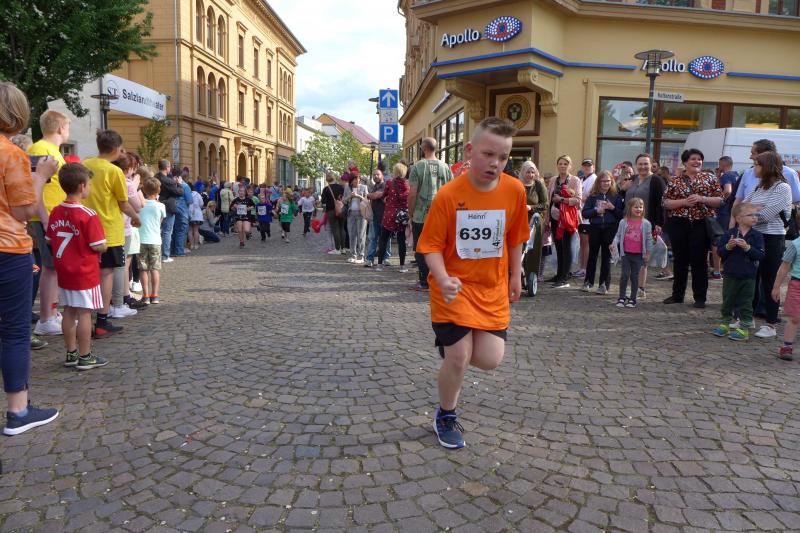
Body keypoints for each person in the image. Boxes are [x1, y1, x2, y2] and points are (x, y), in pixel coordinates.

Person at [416, 117, 529, 449]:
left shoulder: (514, 190)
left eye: (503, 157)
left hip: (491, 288)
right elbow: (430, 246)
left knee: (491, 359)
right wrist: (441, 277)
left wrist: (516, 274)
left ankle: (452, 349)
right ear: (469, 151)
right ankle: (446, 415)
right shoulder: (448, 195)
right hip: (453, 289)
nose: (495, 163)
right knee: (459, 357)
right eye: (488, 154)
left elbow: (515, 238)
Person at [0, 81, 61, 435]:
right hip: (8, 248)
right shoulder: (11, 153)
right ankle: (18, 411)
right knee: (14, 331)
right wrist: (41, 177)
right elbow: (24, 210)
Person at [46, 163, 109, 370]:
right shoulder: (88, 214)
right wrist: (105, 245)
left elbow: (49, 239)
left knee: (68, 311)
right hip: (84, 272)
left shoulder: (56, 211)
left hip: (64, 270)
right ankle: (85, 355)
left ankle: (71, 352)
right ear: (82, 186)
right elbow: (98, 245)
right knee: (84, 313)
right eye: (89, 184)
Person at [82, 130, 140, 338]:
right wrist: (136, 217)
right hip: (108, 230)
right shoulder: (114, 171)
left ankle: (83, 318)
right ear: (115, 149)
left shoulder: (85, 164)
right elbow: (124, 204)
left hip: (85, 227)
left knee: (88, 274)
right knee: (106, 274)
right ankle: (102, 321)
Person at [662, 148, 723, 308]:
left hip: (701, 223)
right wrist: (684, 202)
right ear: (685, 162)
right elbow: (665, 202)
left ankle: (700, 297)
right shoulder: (675, 180)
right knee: (680, 259)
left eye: (699, 159)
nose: (697, 162)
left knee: (699, 260)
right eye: (693, 159)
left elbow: (720, 200)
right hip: (679, 223)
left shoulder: (709, 178)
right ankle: (677, 295)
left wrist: (702, 199)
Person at [28, 110, 69, 336]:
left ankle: (51, 312)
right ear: (61, 127)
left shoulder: (50, 150)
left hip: (55, 218)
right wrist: (45, 220)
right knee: (50, 268)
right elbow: (37, 186)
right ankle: (45, 317)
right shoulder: (40, 149)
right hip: (47, 218)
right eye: (67, 127)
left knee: (54, 268)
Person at [744, 151, 792, 339]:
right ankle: (748, 317)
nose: (754, 168)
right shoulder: (759, 187)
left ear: (767, 167)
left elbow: (765, 215)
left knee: (770, 280)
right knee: (751, 278)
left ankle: (771, 323)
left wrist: (749, 213)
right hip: (755, 236)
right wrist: (748, 212)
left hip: (772, 239)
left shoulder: (782, 188)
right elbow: (740, 208)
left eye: (757, 164)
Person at [712, 202, 764, 341]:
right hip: (730, 274)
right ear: (739, 218)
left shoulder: (757, 235)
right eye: (750, 215)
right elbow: (720, 252)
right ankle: (725, 324)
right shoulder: (729, 233)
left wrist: (747, 248)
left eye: (756, 215)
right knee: (728, 300)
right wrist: (728, 247)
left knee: (746, 302)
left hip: (749, 275)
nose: (754, 217)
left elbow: (760, 255)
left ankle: (744, 328)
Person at [409, 137, 454, 291]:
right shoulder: (446, 167)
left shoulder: (417, 166)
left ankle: (424, 281)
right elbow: (451, 192)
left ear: (423, 149)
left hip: (421, 215)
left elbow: (412, 194)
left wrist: (410, 213)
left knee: (421, 249)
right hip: (441, 216)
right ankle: (437, 279)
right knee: (439, 248)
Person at [625, 153, 666, 300]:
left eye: (646, 164)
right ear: (636, 165)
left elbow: (662, 204)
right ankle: (632, 286)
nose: (643, 167)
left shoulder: (656, 181)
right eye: (640, 164)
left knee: (642, 258)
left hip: (647, 225)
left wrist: (659, 223)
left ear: (651, 165)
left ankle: (640, 288)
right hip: (630, 224)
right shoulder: (634, 179)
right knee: (630, 256)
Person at [582, 171, 623, 294]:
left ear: (612, 182)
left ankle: (604, 284)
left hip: (610, 228)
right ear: (598, 182)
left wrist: (612, 208)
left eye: (608, 181)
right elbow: (585, 213)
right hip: (595, 228)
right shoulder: (593, 196)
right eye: (603, 181)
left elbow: (621, 215)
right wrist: (596, 210)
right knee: (592, 255)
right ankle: (588, 282)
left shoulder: (616, 196)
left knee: (606, 256)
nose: (606, 183)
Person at [546, 155, 582, 288]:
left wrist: (562, 200)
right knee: (558, 246)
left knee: (567, 247)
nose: (562, 166)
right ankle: (559, 274)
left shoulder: (575, 180)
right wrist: (547, 219)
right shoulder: (553, 180)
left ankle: (565, 276)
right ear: (557, 165)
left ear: (570, 166)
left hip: (568, 219)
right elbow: (549, 200)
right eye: (560, 163)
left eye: (565, 164)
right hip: (555, 217)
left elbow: (578, 200)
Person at [612, 198, 653, 308]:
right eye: (636, 207)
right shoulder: (623, 222)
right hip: (626, 254)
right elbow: (618, 235)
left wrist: (648, 253)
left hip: (638, 255)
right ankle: (621, 297)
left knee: (635, 277)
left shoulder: (646, 224)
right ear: (630, 208)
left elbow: (649, 240)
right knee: (624, 275)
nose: (638, 209)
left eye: (641, 207)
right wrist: (613, 243)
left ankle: (633, 298)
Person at [375, 162, 410, 273]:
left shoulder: (390, 183)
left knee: (383, 240)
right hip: (401, 216)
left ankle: (379, 265)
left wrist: (386, 199)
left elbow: (383, 195)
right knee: (401, 241)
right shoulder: (407, 184)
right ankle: (402, 266)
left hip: (389, 215)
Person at [772, 233, 800, 361]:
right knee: (794, 318)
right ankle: (787, 347)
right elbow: (784, 267)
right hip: (797, 285)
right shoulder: (795, 244)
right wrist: (776, 287)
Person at [137, 178, 165, 304]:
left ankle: (146, 296)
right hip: (155, 240)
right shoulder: (161, 206)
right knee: (155, 269)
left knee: (143, 269)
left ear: (144, 190)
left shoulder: (140, 204)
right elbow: (160, 222)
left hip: (141, 239)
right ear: (158, 190)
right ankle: (155, 296)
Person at [711, 156, 738, 279]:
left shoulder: (726, 175)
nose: (718, 166)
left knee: (718, 240)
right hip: (733, 212)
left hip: (723, 213)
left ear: (723, 164)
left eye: (719, 163)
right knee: (730, 238)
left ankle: (717, 271)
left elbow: (728, 190)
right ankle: (726, 268)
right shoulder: (736, 174)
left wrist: (719, 201)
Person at [155, 160, 182, 262]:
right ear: (167, 167)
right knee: (167, 231)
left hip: (157, 205)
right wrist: (179, 184)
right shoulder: (167, 181)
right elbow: (179, 192)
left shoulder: (156, 177)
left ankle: (158, 254)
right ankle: (165, 255)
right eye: (169, 167)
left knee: (158, 230)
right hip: (168, 207)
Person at [575, 158, 597, 279]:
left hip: (587, 216)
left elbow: (590, 197)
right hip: (581, 216)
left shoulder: (594, 179)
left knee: (586, 243)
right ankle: (582, 268)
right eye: (585, 165)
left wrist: (577, 198)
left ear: (593, 167)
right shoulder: (582, 179)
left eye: (589, 165)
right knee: (583, 243)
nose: (587, 167)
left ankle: (584, 269)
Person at [365, 169, 391, 267]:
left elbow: (376, 195)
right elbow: (374, 196)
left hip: (385, 216)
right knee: (373, 239)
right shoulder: (374, 186)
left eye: (378, 174)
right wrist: (371, 195)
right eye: (374, 175)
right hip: (375, 216)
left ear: (382, 176)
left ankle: (386, 258)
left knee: (386, 239)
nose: (375, 176)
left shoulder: (385, 185)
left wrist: (370, 195)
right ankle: (369, 259)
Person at [344, 173, 368, 263]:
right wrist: (349, 196)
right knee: (352, 234)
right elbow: (343, 200)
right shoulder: (347, 188)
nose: (357, 181)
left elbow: (367, 200)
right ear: (351, 180)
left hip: (361, 214)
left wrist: (358, 196)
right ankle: (353, 255)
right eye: (355, 179)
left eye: (358, 179)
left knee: (361, 235)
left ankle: (361, 256)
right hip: (351, 214)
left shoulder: (364, 187)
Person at [321, 171, 346, 254]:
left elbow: (323, 202)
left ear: (327, 179)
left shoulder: (326, 189)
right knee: (342, 228)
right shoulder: (341, 187)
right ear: (334, 178)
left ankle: (337, 249)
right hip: (341, 209)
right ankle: (343, 248)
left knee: (335, 229)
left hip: (331, 211)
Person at [171, 172, 192, 257]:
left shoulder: (171, 185)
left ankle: (173, 251)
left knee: (174, 231)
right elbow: (189, 200)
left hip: (173, 210)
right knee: (181, 231)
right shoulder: (185, 186)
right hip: (183, 211)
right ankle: (179, 251)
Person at [188, 185, 204, 250]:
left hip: (189, 214)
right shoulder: (197, 194)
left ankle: (191, 245)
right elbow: (201, 203)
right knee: (196, 230)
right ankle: (196, 245)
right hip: (197, 214)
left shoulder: (187, 194)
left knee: (190, 230)